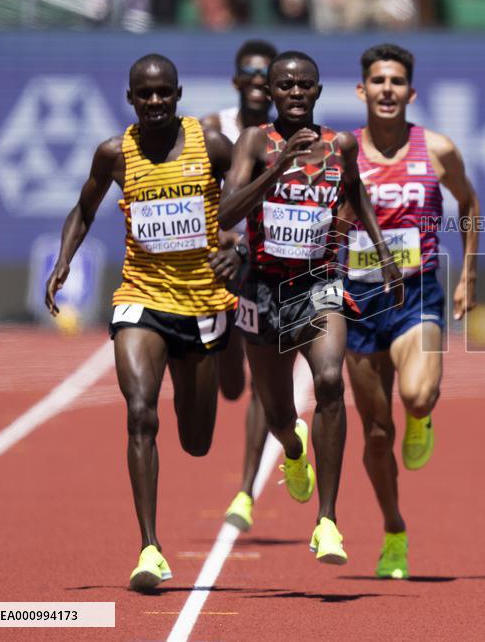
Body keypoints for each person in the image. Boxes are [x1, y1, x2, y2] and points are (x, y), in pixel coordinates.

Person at [45, 54, 242, 591]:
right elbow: (84, 209)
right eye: (144, 94)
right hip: (141, 296)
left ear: (178, 95)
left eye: (163, 93)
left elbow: (249, 199)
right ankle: (150, 548)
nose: (154, 102)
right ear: (130, 99)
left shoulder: (212, 146)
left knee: (196, 441)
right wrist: (64, 260)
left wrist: (240, 247)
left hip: (201, 303)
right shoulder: (114, 153)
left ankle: (190, 396)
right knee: (139, 413)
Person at [218, 50, 401, 565]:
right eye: (285, 85)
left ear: (318, 91)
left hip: (318, 283)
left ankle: (328, 521)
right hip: (262, 289)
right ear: (271, 92)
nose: (295, 92)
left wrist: (384, 255)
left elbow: (358, 195)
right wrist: (276, 168)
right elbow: (227, 212)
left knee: (329, 381)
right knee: (277, 414)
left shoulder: (340, 145)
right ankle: (293, 448)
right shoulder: (255, 142)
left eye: (305, 85)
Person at [343, 43, 479, 579]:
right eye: (378, 81)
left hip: (416, 294)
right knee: (377, 435)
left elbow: (469, 203)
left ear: (411, 93)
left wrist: (468, 274)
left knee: (417, 394)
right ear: (362, 90)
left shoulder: (437, 149)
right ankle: (393, 530)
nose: (387, 90)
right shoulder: (341, 153)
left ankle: (422, 415)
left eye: (397, 82)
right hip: (358, 301)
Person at [201, 39, 277, 533]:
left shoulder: (283, 135)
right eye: (249, 74)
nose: (257, 83)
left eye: (264, 76)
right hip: (218, 268)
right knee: (230, 386)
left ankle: (245, 491)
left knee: (264, 380)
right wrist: (219, 236)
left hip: (264, 267)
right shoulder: (211, 129)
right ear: (235, 81)